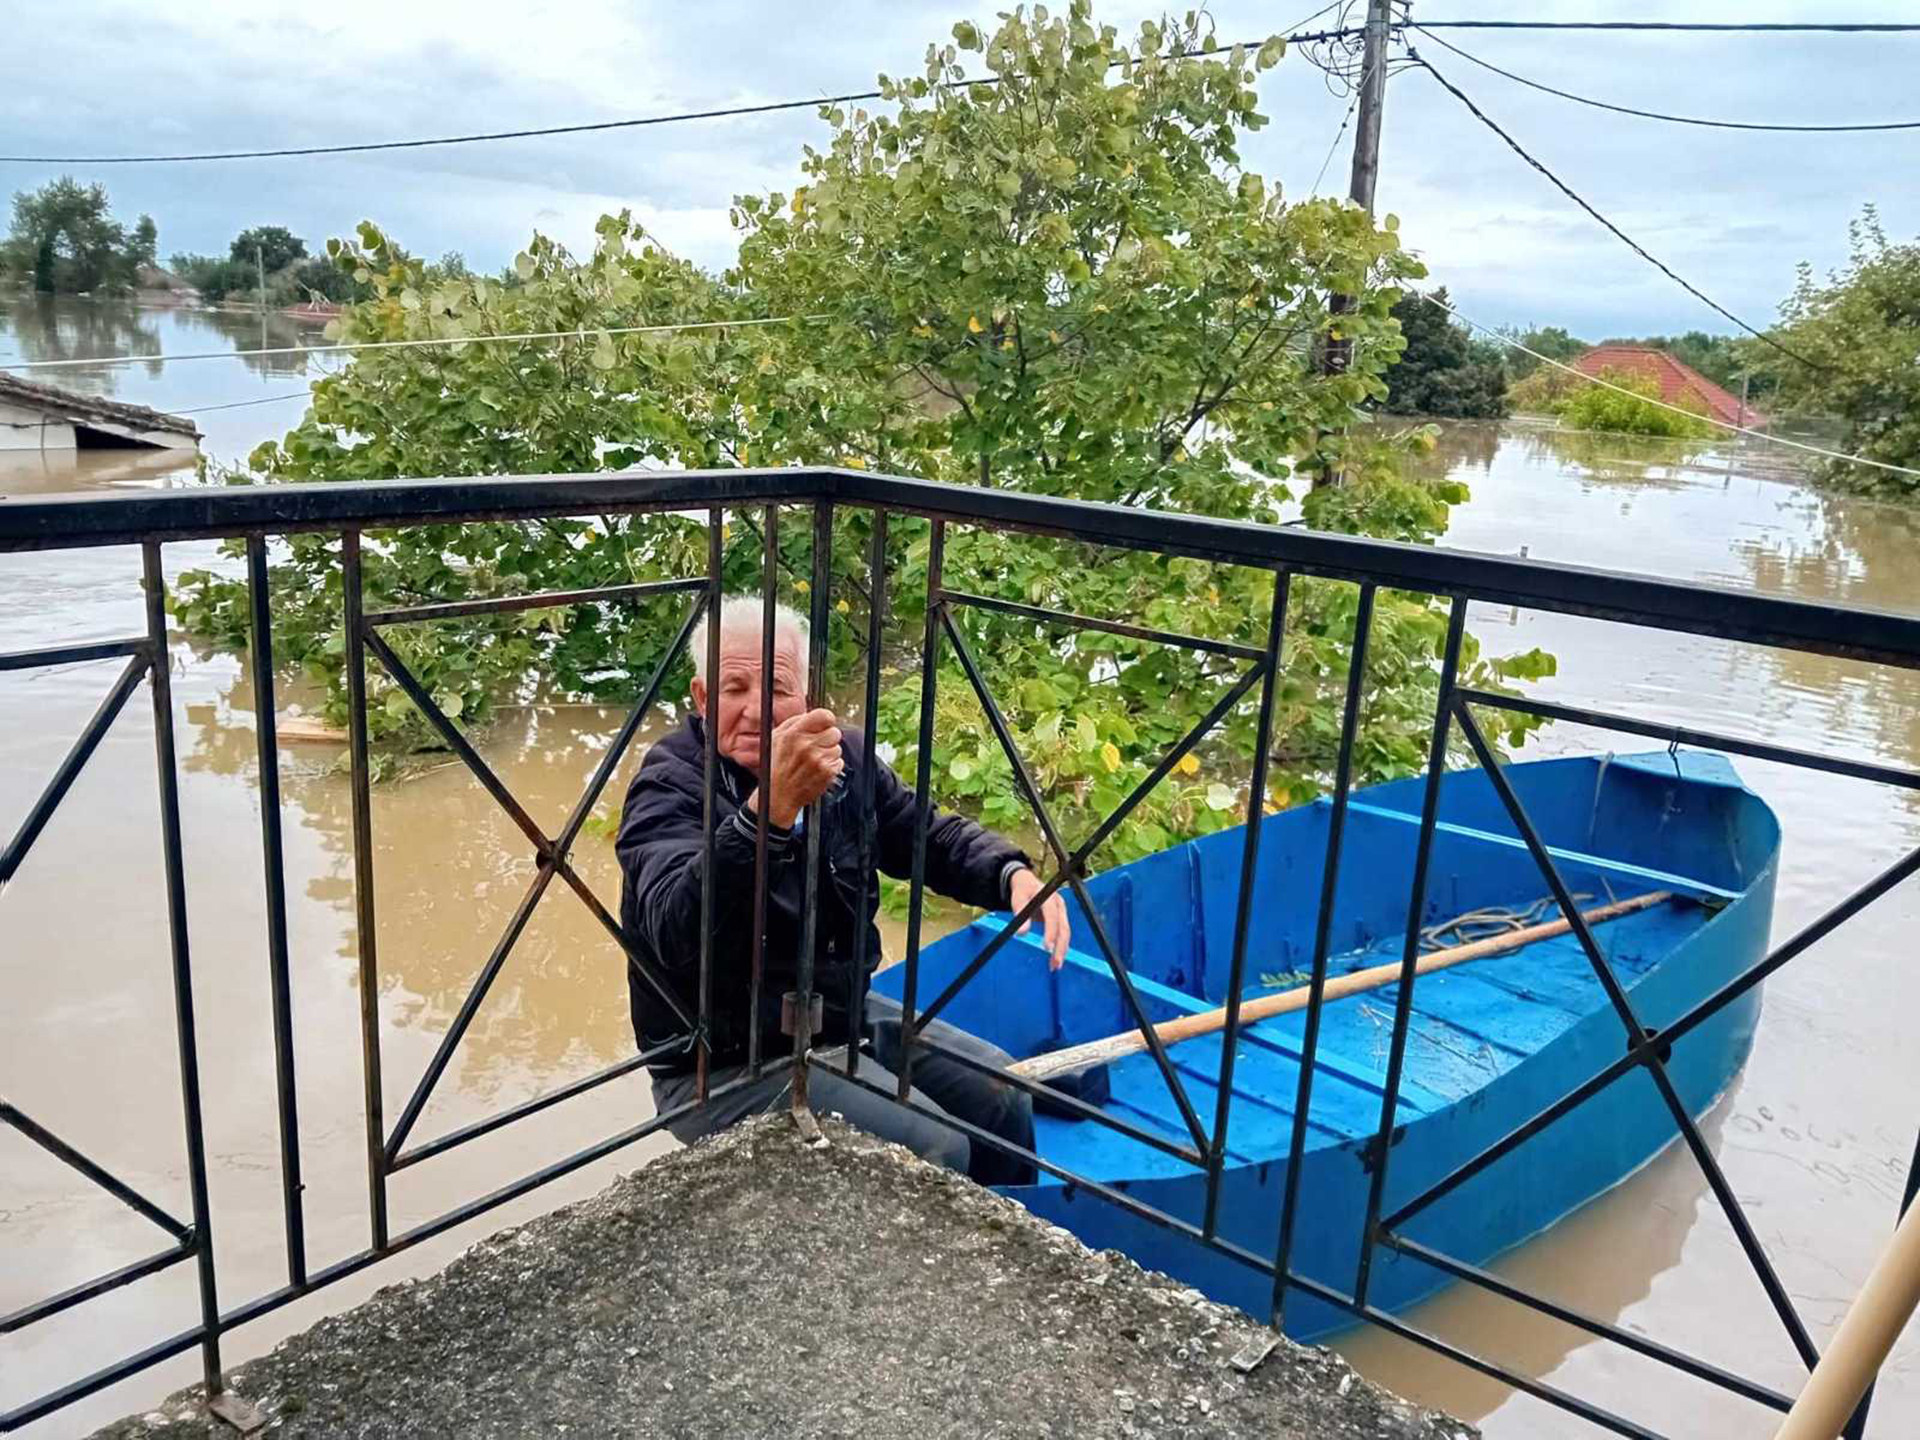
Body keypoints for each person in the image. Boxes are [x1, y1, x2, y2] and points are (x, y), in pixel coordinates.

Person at [616, 596, 1071, 1186]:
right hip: (722, 1060)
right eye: (734, 688)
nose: (755, 711)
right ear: (703, 700)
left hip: (833, 1014)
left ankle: (1013, 1244)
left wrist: (1010, 873)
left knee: (1002, 1095)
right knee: (938, 1148)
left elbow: (922, 831)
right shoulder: (667, 785)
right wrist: (765, 815)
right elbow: (677, 928)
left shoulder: (845, 758)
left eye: (777, 689)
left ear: (805, 698)